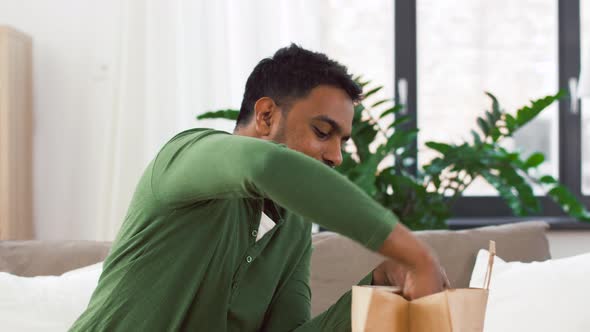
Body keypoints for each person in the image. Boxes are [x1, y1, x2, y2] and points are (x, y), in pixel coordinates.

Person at [70, 44, 448, 332]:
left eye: (343, 141)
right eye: (322, 131)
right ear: (266, 115)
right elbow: (265, 164)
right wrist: (418, 255)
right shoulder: (186, 157)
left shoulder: (294, 226)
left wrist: (380, 285)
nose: (336, 156)